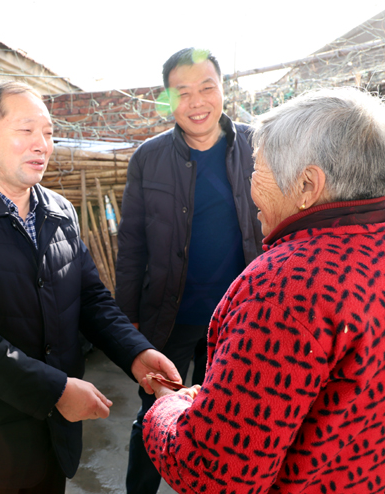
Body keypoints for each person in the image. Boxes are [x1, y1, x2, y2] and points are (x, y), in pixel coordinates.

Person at [143, 87, 385, 493]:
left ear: (307, 185)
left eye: (258, 168)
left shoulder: (287, 288)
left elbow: (213, 474)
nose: (250, 186)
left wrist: (167, 406)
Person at [0, 81, 180, 494]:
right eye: (26, 130)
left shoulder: (60, 210)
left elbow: (90, 298)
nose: (42, 144)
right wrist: (57, 390)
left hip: (54, 436)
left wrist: (136, 353)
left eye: (48, 133)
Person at [115, 47, 264, 493]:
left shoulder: (259, 146)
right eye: (182, 92)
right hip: (171, 316)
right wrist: (128, 319)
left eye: (207, 88)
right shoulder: (149, 158)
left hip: (239, 318)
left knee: (228, 418)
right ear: (167, 100)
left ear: (223, 90)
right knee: (153, 413)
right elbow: (132, 243)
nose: (197, 102)